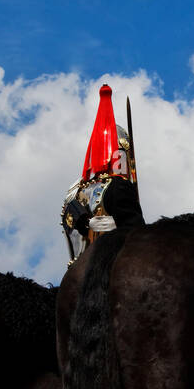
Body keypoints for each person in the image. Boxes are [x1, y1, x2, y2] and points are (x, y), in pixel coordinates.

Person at [62, 84, 146, 262]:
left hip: (77, 272)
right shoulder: (118, 187)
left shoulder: (74, 193)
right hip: (111, 264)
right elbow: (139, 239)